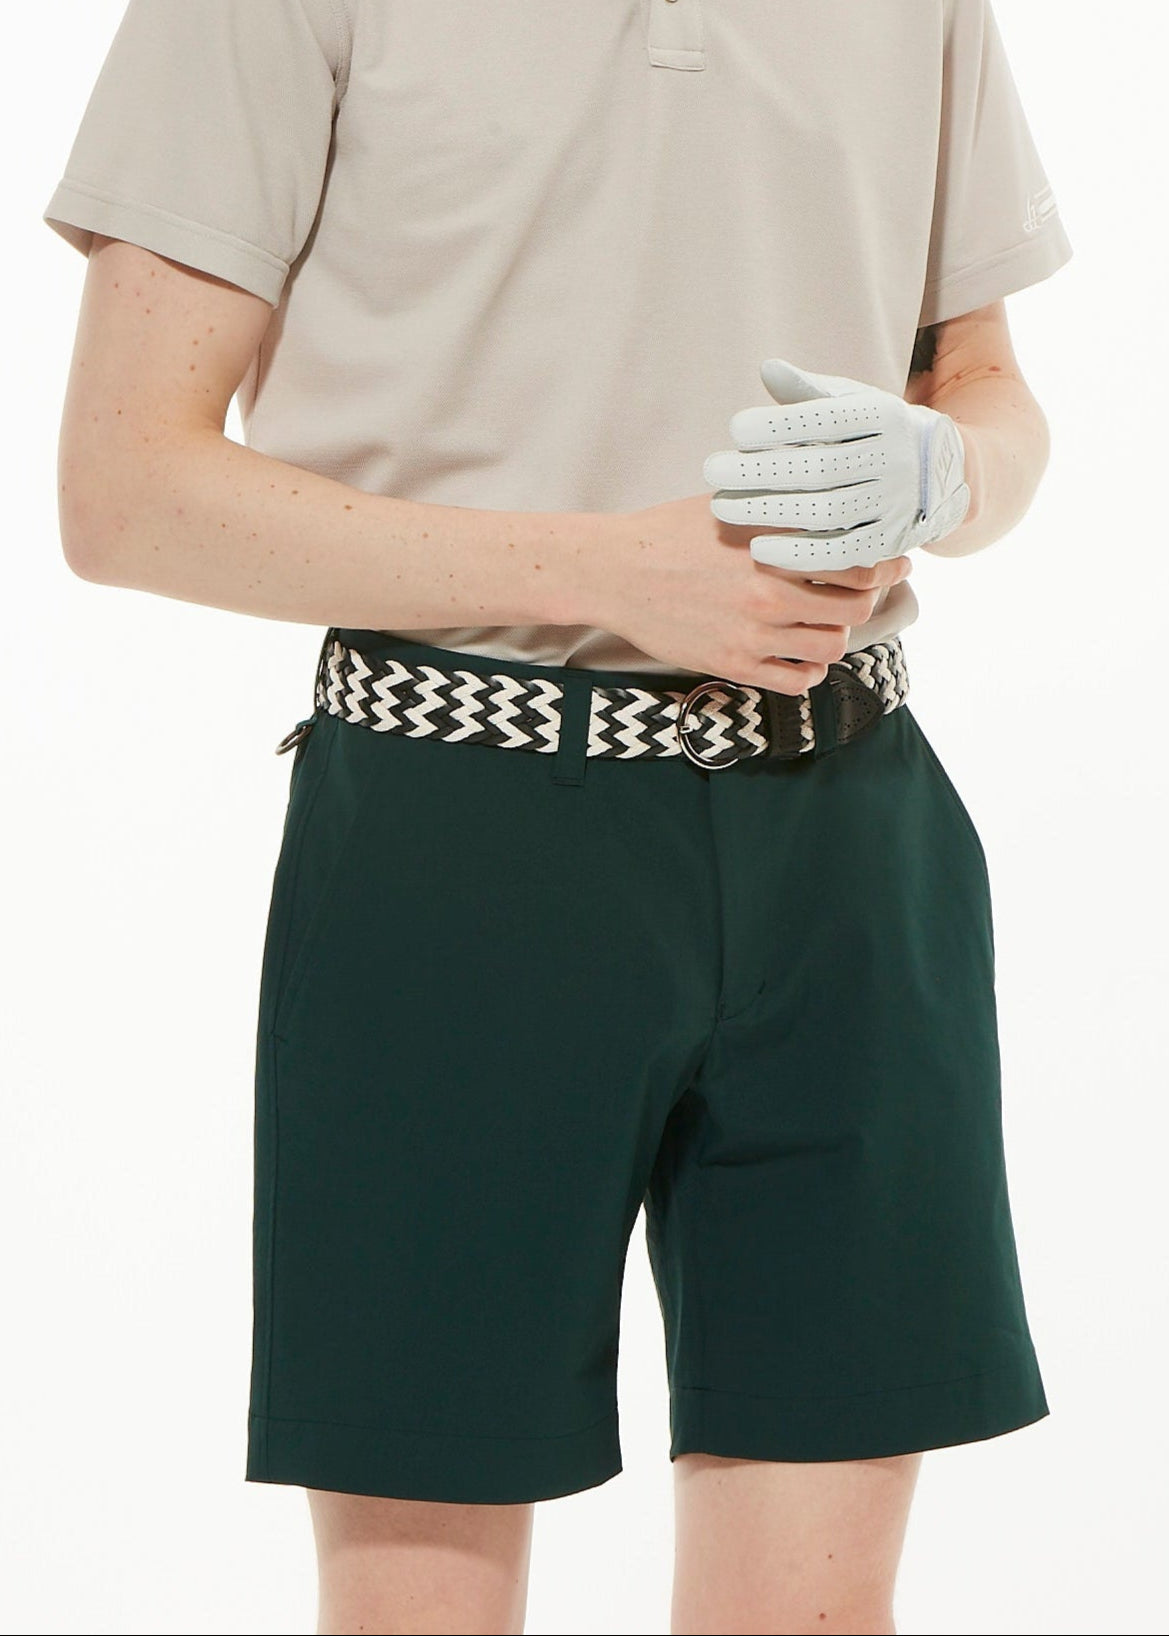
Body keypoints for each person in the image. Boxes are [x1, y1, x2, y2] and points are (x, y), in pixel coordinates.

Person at [43, 2, 1072, 1631]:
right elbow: (125, 490)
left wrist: (945, 473)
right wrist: (604, 576)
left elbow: (987, 380)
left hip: (848, 830)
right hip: (463, 837)